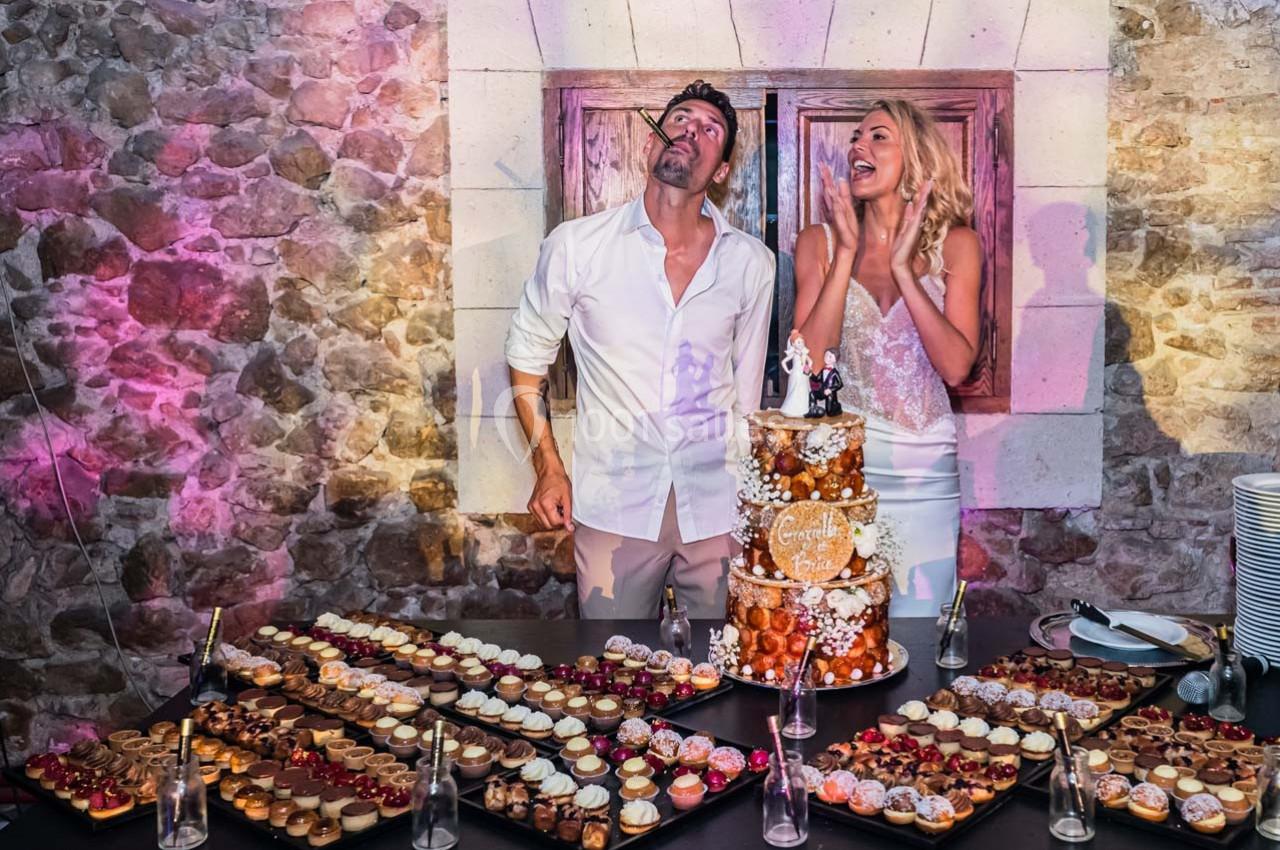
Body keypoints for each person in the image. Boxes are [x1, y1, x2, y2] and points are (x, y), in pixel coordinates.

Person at [505, 81, 776, 619]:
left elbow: (747, 400)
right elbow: (526, 359)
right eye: (680, 119)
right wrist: (548, 466)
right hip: (615, 507)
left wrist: (755, 502)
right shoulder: (577, 246)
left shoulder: (751, 263)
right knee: (614, 659)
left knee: (721, 659)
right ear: (651, 144)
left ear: (721, 170)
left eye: (709, 129)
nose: (690, 131)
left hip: (718, 507)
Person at [791, 99, 982, 616]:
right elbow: (809, 364)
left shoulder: (957, 246)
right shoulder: (818, 243)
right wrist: (845, 256)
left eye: (878, 136)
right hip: (843, 468)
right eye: (857, 136)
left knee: (920, 625)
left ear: (915, 158)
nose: (859, 145)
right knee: (842, 628)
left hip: (925, 470)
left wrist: (903, 271)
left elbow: (956, 367)